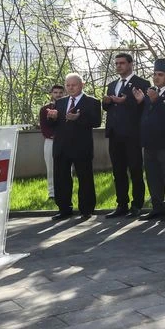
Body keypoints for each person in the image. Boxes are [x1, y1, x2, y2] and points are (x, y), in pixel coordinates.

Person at [46, 72, 102, 220]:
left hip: (81, 147)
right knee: (61, 179)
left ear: (82, 85)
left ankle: (86, 209)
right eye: (68, 85)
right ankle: (64, 209)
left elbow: (96, 122)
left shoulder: (92, 102)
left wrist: (79, 118)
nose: (70, 88)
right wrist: (52, 118)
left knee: (85, 178)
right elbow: (54, 125)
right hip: (61, 147)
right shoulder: (60, 102)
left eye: (74, 85)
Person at [102, 53, 150, 218]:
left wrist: (126, 101)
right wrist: (107, 102)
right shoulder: (112, 84)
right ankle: (121, 204)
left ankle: (137, 204)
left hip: (132, 134)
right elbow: (108, 106)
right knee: (118, 171)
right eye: (116, 63)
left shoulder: (142, 83)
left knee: (135, 169)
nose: (118, 66)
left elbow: (145, 106)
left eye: (122, 63)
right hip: (115, 133)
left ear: (131, 64)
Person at [136, 59, 165, 221]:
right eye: (154, 74)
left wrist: (157, 100)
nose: (156, 78)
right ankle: (157, 207)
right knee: (153, 176)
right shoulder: (151, 91)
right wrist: (143, 100)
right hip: (149, 143)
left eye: (160, 75)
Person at [39, 84, 65, 207]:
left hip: (66, 142)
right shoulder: (45, 109)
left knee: (67, 169)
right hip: (50, 141)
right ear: (51, 94)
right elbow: (44, 128)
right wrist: (54, 136)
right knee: (51, 167)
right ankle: (52, 193)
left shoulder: (68, 107)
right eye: (56, 92)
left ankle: (65, 192)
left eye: (60, 92)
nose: (58, 95)